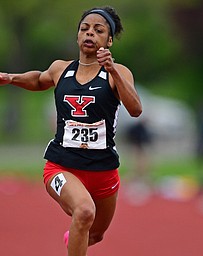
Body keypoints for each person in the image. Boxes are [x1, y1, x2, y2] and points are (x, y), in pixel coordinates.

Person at [0, 6, 142, 256]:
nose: (90, 34)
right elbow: (40, 79)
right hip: (62, 165)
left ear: (108, 41)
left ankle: (74, 237)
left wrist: (113, 72)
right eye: (84, 29)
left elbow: (136, 109)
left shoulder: (117, 73)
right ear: (77, 36)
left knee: (95, 233)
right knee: (85, 211)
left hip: (103, 171)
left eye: (98, 30)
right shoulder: (60, 69)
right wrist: (12, 78)